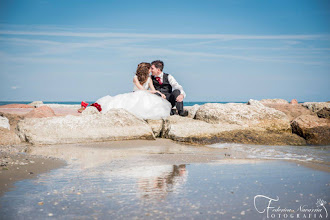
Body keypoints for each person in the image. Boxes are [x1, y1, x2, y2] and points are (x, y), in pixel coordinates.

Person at [78, 62, 171, 120]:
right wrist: (157, 92)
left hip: (145, 95)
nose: (151, 70)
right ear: (145, 69)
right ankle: (86, 107)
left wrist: (159, 93)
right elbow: (142, 89)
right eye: (150, 69)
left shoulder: (149, 78)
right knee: (110, 106)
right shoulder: (135, 78)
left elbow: (153, 90)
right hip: (136, 95)